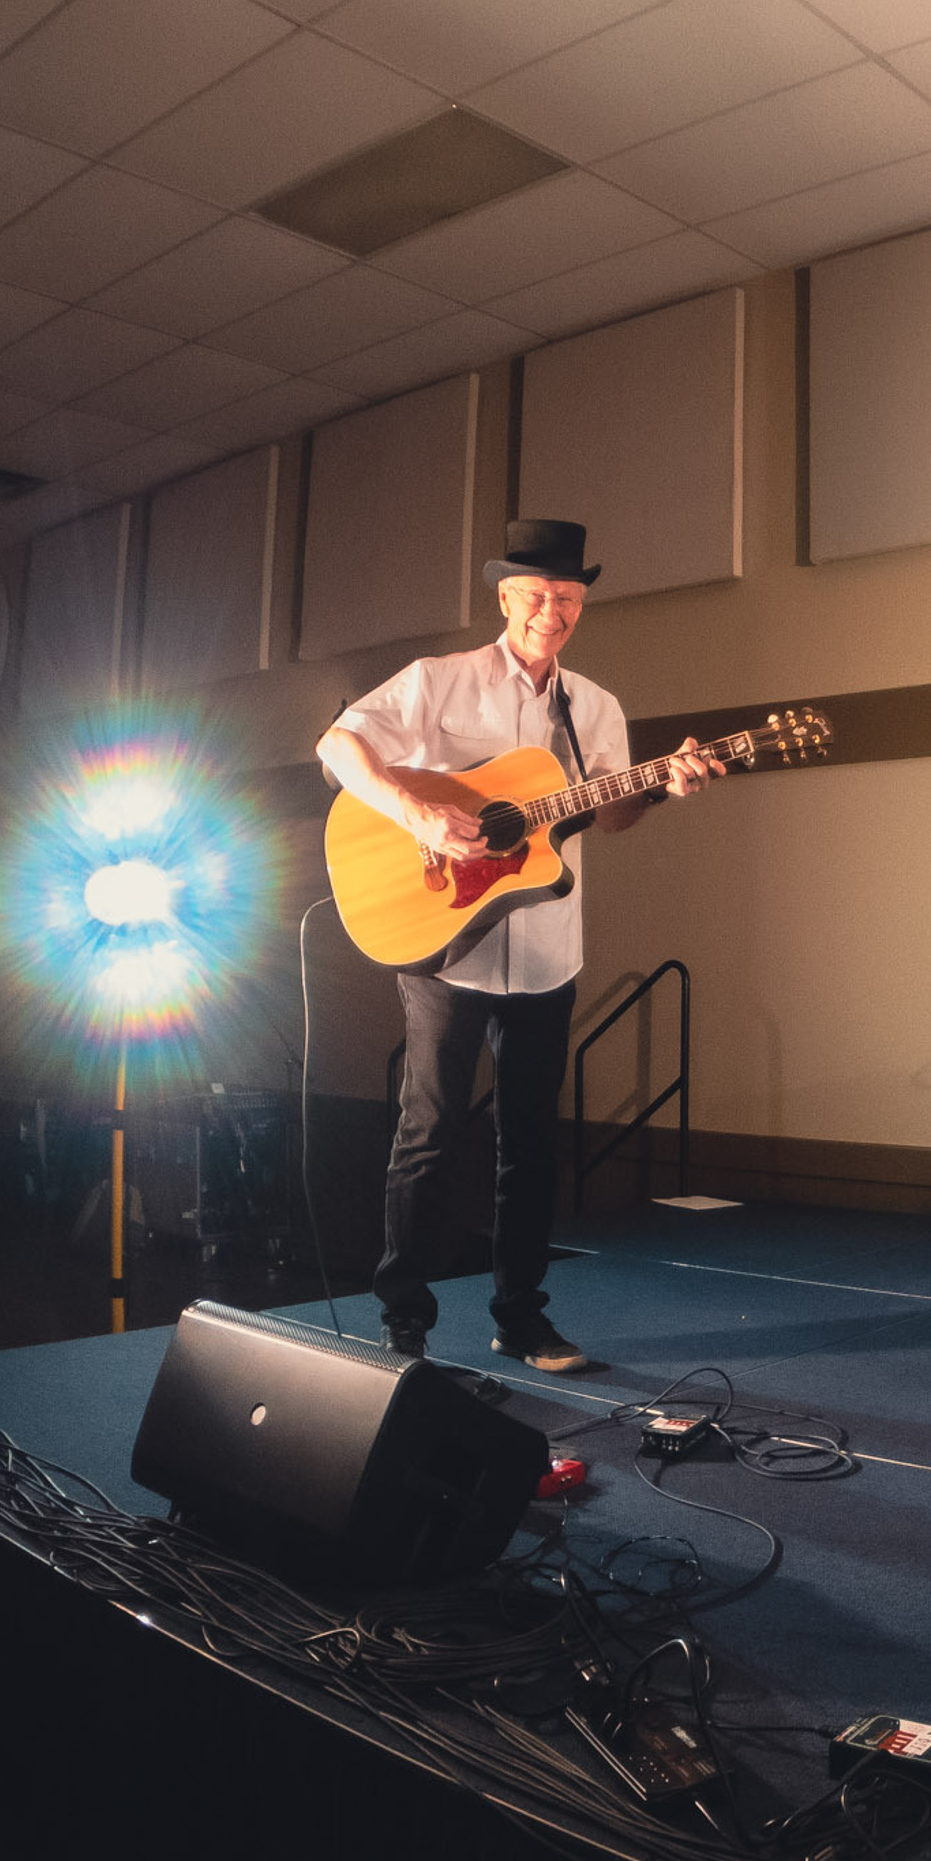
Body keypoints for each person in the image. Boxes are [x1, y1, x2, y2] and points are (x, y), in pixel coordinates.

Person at [316, 519, 721, 1375]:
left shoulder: (596, 708)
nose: (554, 611)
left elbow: (609, 812)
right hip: (446, 948)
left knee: (531, 1142)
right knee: (428, 1131)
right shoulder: (437, 682)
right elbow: (338, 745)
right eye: (538, 595)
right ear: (505, 598)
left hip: (545, 954)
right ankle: (404, 1324)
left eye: (569, 597)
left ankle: (522, 1318)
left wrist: (662, 785)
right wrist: (417, 810)